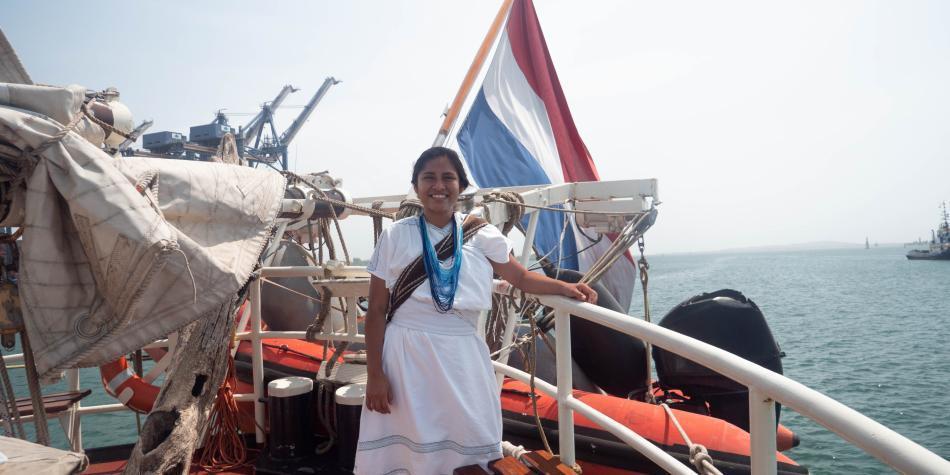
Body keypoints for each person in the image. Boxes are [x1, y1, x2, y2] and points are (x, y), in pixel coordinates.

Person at [354, 147, 597, 474]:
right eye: (429, 177)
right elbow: (376, 310)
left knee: (472, 434)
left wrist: (564, 287)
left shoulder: (482, 234)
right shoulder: (395, 235)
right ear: (416, 186)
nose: (438, 185)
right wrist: (375, 375)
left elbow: (520, 278)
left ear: (461, 186)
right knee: (409, 442)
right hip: (405, 354)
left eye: (448, 178)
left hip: (461, 353)